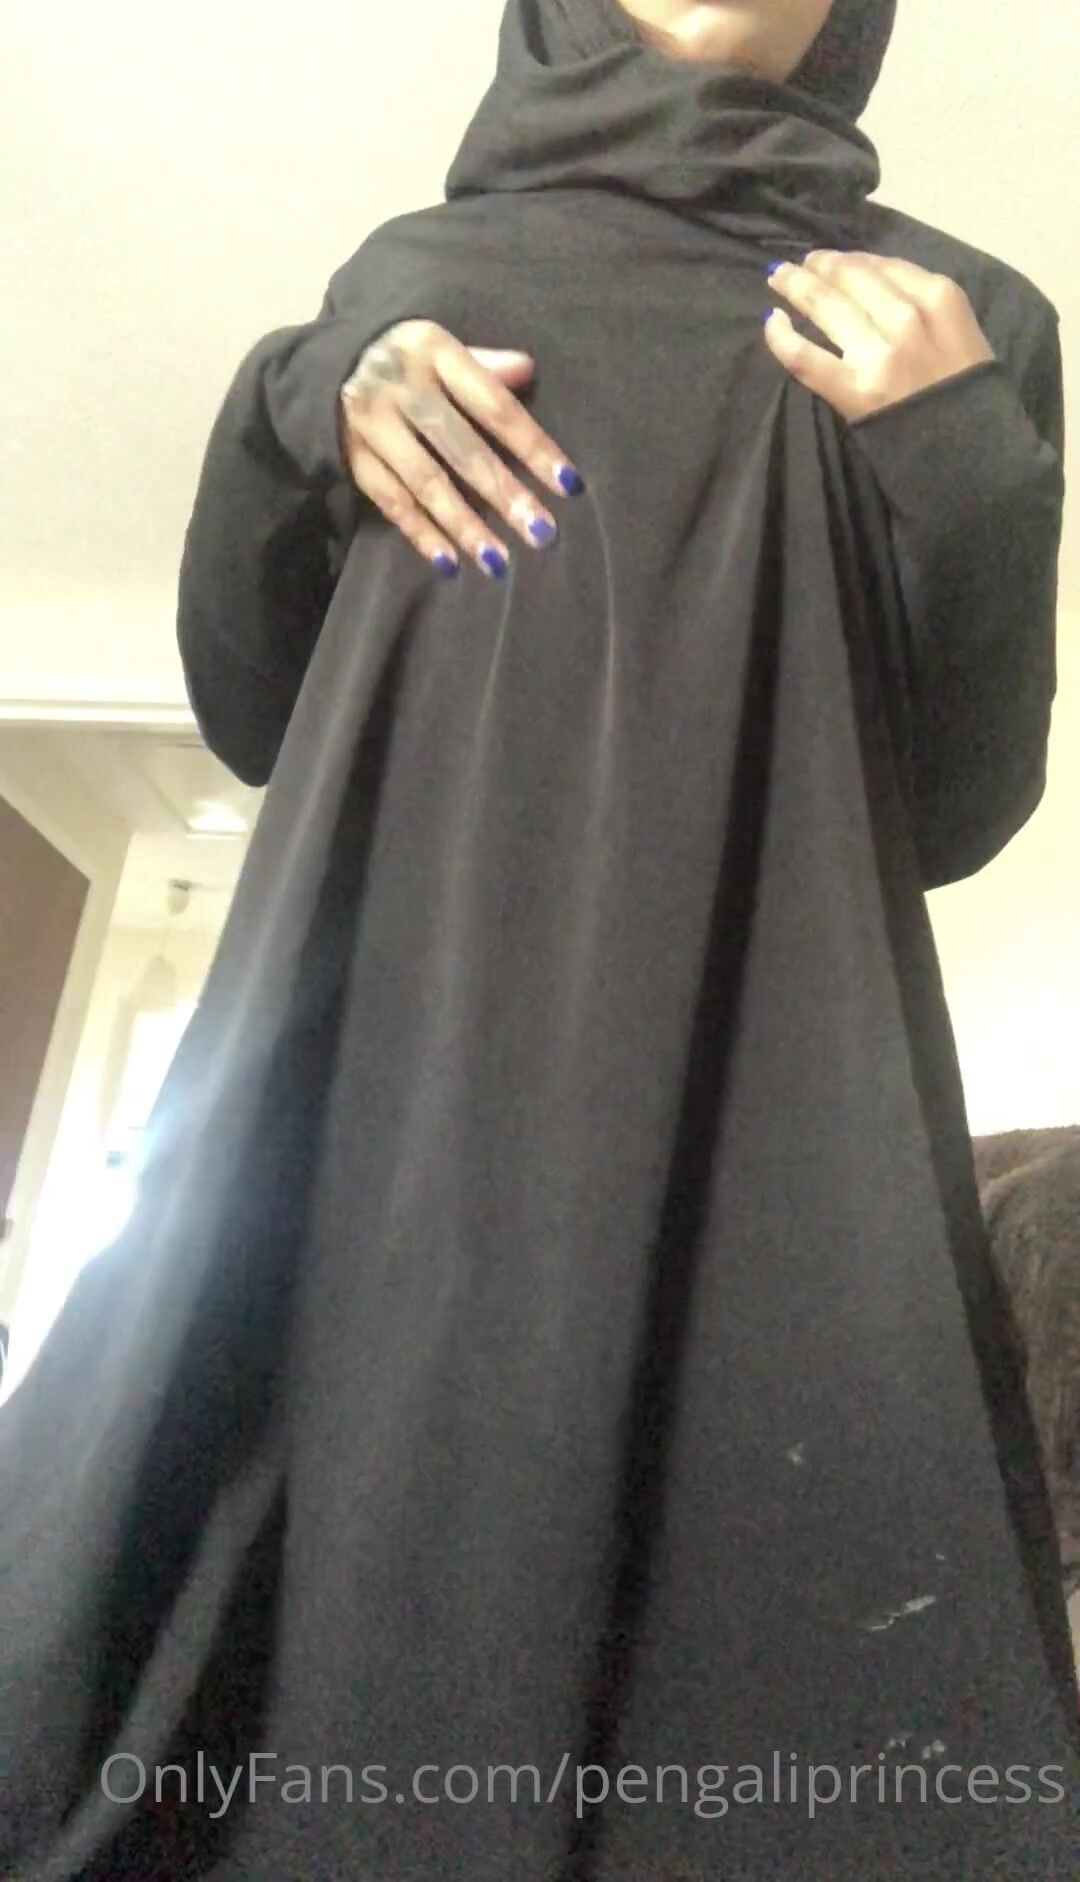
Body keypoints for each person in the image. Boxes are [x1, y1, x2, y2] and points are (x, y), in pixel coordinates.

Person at [0, 2, 1075, 1877]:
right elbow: (255, 712)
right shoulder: (419, 284)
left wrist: (968, 456)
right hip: (398, 1105)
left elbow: (959, 809)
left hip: (766, 1119)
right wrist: (293, 402)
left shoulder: (955, 318)